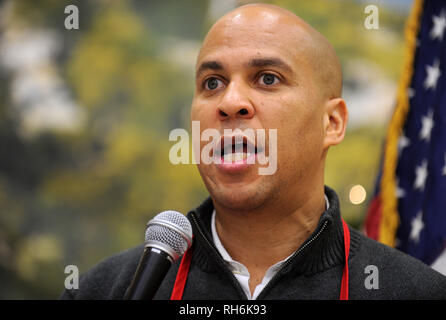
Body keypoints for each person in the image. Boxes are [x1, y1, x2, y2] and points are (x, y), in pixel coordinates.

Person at [61, 4, 446, 300]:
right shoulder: (107, 289)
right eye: (212, 83)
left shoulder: (412, 291)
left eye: (267, 78)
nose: (230, 102)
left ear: (332, 123)